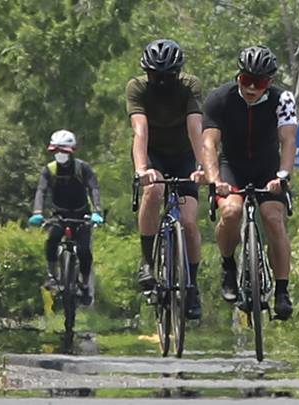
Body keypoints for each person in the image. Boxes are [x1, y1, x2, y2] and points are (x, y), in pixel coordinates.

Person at [200, 45, 297, 320]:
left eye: (260, 82)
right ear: (238, 76)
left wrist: (283, 175)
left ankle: (282, 291)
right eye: (246, 80)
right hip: (232, 167)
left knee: (273, 218)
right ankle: (228, 266)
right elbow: (209, 144)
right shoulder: (219, 99)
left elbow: (288, 139)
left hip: (268, 169)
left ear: (270, 82)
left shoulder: (283, 99)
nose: (252, 87)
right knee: (231, 212)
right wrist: (214, 180)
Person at [125, 38, 204, 320]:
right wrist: (141, 169)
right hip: (153, 154)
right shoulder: (137, 88)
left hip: (184, 156)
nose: (160, 82)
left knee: (189, 222)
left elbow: (195, 128)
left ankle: (192, 287)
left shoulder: (189, 85)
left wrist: (203, 166)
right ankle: (147, 262)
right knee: (154, 191)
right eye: (154, 76)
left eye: (167, 77)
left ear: (177, 74)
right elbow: (140, 131)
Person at [28, 129, 103, 306]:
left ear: (72, 152)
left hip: (82, 215)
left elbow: (93, 188)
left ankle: (85, 284)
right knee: (52, 241)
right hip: (59, 215)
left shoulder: (82, 168)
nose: (60, 155)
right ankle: (52, 275)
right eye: (56, 151)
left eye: (63, 151)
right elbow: (41, 190)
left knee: (84, 251)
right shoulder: (49, 170)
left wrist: (97, 211)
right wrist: (37, 212)